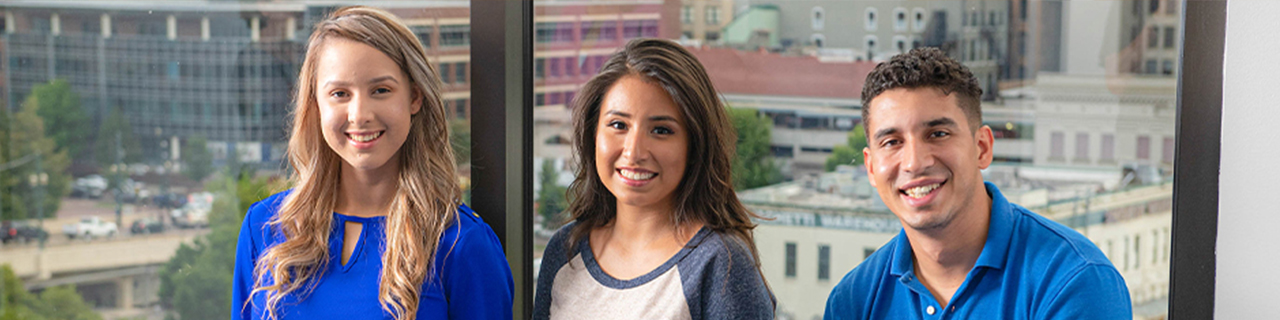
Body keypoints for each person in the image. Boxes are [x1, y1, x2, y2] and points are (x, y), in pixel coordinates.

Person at [231, 7, 512, 320]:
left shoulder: (462, 245)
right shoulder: (264, 228)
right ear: (315, 104)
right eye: (340, 93)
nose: (359, 114)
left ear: (415, 98)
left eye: (381, 90)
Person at [824, 48, 1130, 319]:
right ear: (871, 168)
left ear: (982, 147)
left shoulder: (1073, 281)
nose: (914, 162)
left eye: (938, 134)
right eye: (892, 142)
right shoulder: (854, 301)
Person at [533, 38, 774, 320]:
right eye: (618, 125)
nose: (634, 151)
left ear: (695, 144)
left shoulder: (719, 264)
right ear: (593, 135)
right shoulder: (566, 249)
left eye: (661, 130)